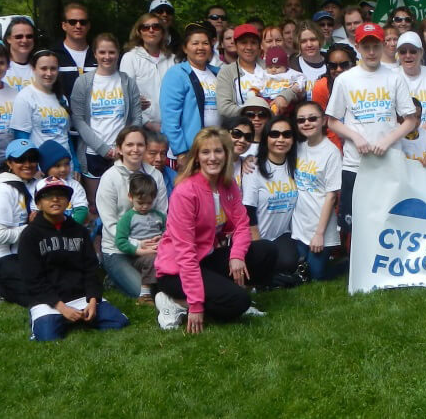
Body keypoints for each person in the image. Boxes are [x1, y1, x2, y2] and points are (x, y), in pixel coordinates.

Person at [154, 128, 277, 332]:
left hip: (206, 259)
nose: (212, 158)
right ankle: (176, 302)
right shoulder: (185, 192)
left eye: (218, 151)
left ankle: (228, 293)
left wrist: (237, 255)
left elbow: (241, 225)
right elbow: (185, 253)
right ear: (196, 157)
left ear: (227, 155)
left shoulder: (228, 186)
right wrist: (195, 305)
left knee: (266, 251)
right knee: (238, 302)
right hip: (176, 270)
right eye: (205, 152)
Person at [326, 22, 418, 239]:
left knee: (389, 218)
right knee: (355, 223)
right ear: (357, 47)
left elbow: (410, 120)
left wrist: (387, 141)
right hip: (355, 163)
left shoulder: (395, 76)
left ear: (384, 45)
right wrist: (355, 137)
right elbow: (331, 121)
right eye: (366, 46)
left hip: (388, 161)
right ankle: (357, 270)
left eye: (375, 46)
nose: (371, 52)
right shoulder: (345, 80)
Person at [18, 177, 129, 341]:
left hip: (80, 296)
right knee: (48, 337)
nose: (55, 199)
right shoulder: (30, 235)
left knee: (119, 322)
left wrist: (92, 300)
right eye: (48, 195)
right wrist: (62, 308)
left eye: (61, 195)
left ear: (68, 201)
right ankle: (59, 319)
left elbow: (91, 269)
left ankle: (76, 318)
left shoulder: (79, 231)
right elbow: (33, 279)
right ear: (39, 203)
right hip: (48, 301)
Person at [71, 33, 144, 212]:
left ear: (118, 53)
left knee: (125, 203)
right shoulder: (83, 82)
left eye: (111, 52)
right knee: (95, 206)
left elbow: (136, 118)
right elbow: (78, 120)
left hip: (122, 153)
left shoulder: (127, 82)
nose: (107, 57)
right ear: (95, 54)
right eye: (102, 52)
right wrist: (103, 149)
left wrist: (124, 147)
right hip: (92, 152)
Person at [96, 125, 169, 298]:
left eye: (140, 145)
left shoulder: (155, 175)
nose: (135, 149)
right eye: (129, 145)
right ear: (119, 149)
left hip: (151, 245)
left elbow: (162, 213)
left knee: (168, 286)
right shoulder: (109, 178)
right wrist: (137, 245)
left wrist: (159, 242)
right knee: (145, 292)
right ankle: (114, 276)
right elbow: (110, 224)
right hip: (118, 249)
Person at [243, 115, 304, 285]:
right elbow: (248, 210)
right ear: (266, 138)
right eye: (274, 134)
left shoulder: (296, 166)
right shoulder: (253, 167)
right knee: (264, 263)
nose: (281, 139)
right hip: (256, 237)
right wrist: (258, 246)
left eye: (286, 134)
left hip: (281, 235)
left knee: (288, 262)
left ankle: (271, 278)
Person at [0, 139, 39, 305]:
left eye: (32, 159)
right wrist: (33, 228)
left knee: (58, 284)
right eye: (21, 160)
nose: (28, 164)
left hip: (25, 252)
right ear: (9, 163)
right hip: (0, 257)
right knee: (39, 297)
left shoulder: (32, 185)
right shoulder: (1, 190)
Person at [291, 101, 342, 280]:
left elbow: (331, 196)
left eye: (312, 118)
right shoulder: (297, 147)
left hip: (320, 226)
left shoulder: (331, 153)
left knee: (315, 276)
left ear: (323, 121)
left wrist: (319, 234)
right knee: (298, 270)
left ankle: (346, 264)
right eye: (301, 120)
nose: (307, 123)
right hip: (298, 225)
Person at [160, 23, 221, 160]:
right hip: (188, 151)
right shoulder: (176, 74)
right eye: (195, 43)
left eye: (205, 43)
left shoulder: (218, 74)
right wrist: (180, 152)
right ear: (185, 48)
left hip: (215, 149)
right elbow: (170, 118)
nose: (200, 47)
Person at [9, 50, 74, 171]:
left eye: (53, 68)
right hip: (42, 167)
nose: (48, 73)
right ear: (33, 69)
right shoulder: (25, 97)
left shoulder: (61, 98)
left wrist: (76, 165)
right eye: (43, 68)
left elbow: (66, 135)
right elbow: (21, 139)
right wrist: (33, 168)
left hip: (65, 167)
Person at [114, 174, 166, 304]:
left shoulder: (159, 216)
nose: (144, 206)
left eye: (149, 203)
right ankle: (144, 294)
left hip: (160, 251)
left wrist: (162, 239)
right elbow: (121, 241)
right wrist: (139, 250)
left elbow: (168, 233)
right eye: (140, 203)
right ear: (130, 197)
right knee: (151, 260)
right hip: (138, 256)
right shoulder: (128, 218)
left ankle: (166, 291)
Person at [120, 13, 174, 133]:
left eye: (156, 27)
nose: (151, 30)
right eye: (145, 27)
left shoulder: (173, 59)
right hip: (142, 127)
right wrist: (148, 123)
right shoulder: (130, 58)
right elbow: (126, 96)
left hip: (172, 126)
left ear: (163, 31)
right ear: (139, 32)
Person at [52, 3, 97, 102]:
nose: (78, 26)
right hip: (62, 115)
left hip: (96, 115)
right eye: (72, 22)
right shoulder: (53, 55)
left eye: (83, 22)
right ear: (64, 25)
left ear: (89, 25)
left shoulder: (99, 55)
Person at [290, 20, 329, 99]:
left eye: (313, 39)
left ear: (320, 40)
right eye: (304, 41)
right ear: (298, 43)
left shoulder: (331, 62)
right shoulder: (292, 64)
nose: (309, 44)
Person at [3, 16, 37, 92]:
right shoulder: (0, 66)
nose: (24, 40)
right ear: (8, 39)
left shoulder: (40, 67)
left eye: (29, 36)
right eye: (19, 37)